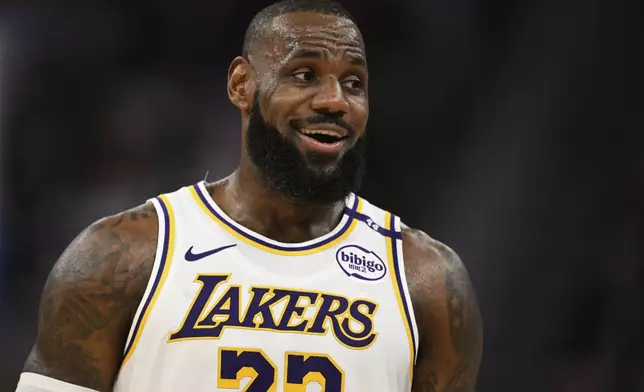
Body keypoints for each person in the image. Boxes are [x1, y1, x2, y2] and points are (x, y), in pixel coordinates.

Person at [16, 0, 483, 391]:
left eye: (354, 83)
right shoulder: (121, 258)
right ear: (242, 85)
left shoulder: (428, 282)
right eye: (304, 75)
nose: (335, 101)